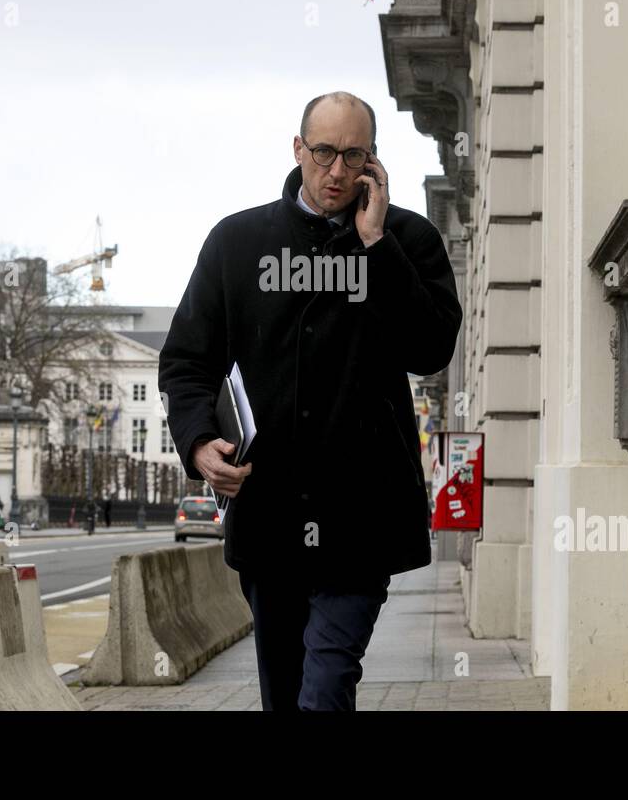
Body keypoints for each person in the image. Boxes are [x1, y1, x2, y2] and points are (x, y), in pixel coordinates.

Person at [159, 91, 461, 711]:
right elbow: (188, 360)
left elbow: (430, 347)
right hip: (268, 513)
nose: (336, 171)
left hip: (362, 516)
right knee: (287, 695)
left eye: (354, 156)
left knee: (324, 689)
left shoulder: (408, 239)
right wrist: (196, 442)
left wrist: (376, 245)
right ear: (298, 150)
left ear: (373, 161)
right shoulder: (237, 243)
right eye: (323, 152)